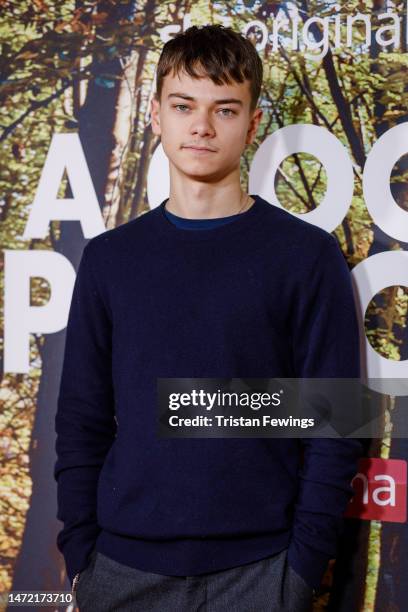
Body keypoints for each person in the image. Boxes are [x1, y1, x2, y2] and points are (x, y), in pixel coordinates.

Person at [54, 24, 363, 612]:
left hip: (261, 573)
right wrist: (83, 557)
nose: (201, 125)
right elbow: (82, 421)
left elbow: (334, 421)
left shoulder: (305, 256)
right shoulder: (110, 260)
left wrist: (299, 572)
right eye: (183, 105)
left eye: (224, 109)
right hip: (120, 572)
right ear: (156, 115)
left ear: (251, 124)